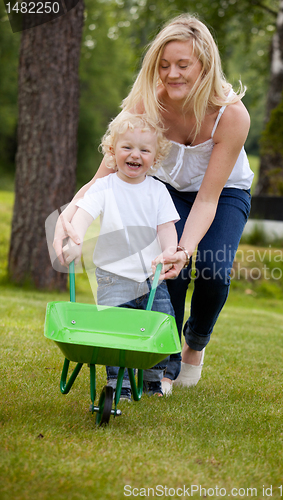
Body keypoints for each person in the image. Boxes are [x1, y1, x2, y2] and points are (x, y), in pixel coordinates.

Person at [54, 14, 253, 395]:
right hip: (163, 188)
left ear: (205, 66)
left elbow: (208, 198)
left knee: (212, 269)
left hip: (223, 193)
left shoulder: (231, 115)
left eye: (183, 65)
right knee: (164, 270)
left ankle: (195, 344)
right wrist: (71, 213)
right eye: (164, 65)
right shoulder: (145, 105)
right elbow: (103, 177)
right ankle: (164, 362)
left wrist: (185, 248)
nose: (172, 74)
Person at [62, 112, 179, 398]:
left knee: (159, 326)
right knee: (114, 333)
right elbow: (84, 215)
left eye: (144, 150)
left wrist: (169, 250)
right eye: (127, 147)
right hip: (114, 278)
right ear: (113, 151)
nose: (135, 155)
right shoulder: (104, 187)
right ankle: (119, 384)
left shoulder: (158, 191)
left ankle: (153, 379)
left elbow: (166, 228)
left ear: (156, 156)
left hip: (152, 277)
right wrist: (75, 241)